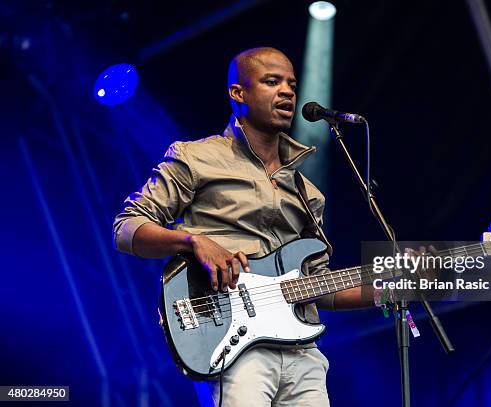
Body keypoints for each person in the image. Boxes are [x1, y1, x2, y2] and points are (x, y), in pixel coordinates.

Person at [113, 47, 372, 407]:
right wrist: (193, 241)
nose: (287, 92)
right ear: (239, 94)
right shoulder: (197, 157)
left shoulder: (307, 192)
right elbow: (127, 229)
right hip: (231, 343)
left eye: (292, 84)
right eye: (272, 82)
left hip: (304, 355)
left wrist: (389, 291)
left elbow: (318, 286)